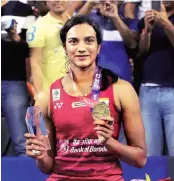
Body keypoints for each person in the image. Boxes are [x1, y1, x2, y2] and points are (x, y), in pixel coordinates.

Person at [25, 15, 147, 180]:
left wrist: (109, 142)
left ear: (98, 47)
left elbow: (140, 159)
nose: (81, 48)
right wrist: (40, 156)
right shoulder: (47, 97)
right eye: (74, 42)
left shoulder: (122, 90)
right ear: (65, 47)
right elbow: (47, 166)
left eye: (89, 41)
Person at [137, 1, 174, 155]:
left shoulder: (165, 21)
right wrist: (147, 31)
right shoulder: (147, 19)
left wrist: (165, 23)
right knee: (151, 153)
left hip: (172, 91)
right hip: (147, 92)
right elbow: (140, 51)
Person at [27, 0, 83, 95]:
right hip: (52, 93)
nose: (58, 0)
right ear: (46, 1)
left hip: (78, 90)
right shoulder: (38, 27)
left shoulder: (76, 25)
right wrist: (39, 95)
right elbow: (35, 63)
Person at [1, 0, 34, 155]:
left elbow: (31, 48)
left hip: (13, 81)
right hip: (13, 82)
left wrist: (16, 40)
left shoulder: (25, 10)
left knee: (22, 143)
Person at [78, 0, 138, 83]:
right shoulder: (89, 19)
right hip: (94, 81)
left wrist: (115, 18)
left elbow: (132, 44)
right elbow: (71, 30)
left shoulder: (128, 21)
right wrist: (89, 3)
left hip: (122, 80)